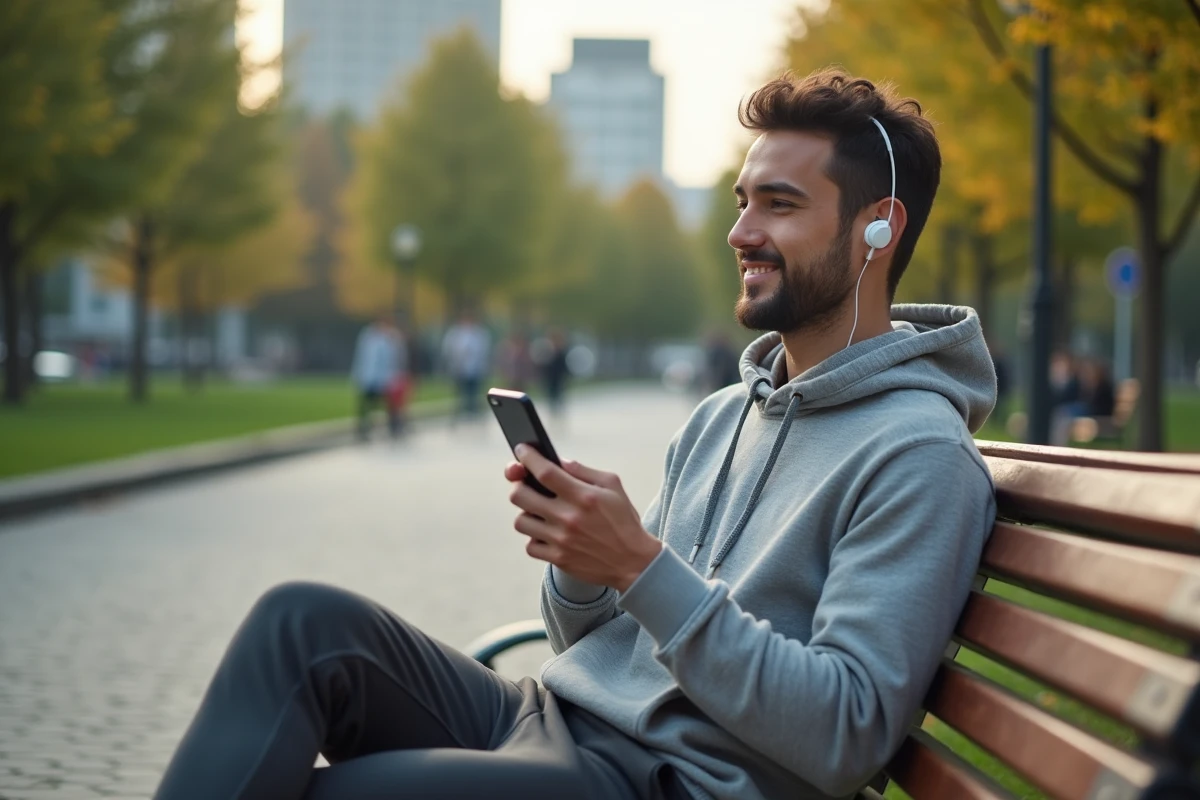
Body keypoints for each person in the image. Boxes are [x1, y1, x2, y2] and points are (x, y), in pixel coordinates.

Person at [153, 70, 997, 800]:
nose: (740, 232)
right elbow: (606, 643)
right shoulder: (724, 415)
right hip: (555, 720)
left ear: (877, 227)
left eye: (779, 205)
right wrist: (585, 574)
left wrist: (638, 564)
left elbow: (846, 734)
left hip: (668, 780)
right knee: (300, 622)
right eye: (743, 202)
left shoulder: (918, 454)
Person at [349, 314, 405, 440]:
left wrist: (396, 376)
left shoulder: (392, 337)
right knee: (366, 405)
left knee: (391, 405)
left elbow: (397, 357)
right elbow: (361, 356)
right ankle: (364, 429)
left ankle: (394, 428)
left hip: (387, 377)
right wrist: (358, 374)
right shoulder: (367, 336)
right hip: (369, 376)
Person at [441, 309, 491, 424]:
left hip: (476, 369)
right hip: (460, 369)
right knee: (461, 394)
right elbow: (448, 350)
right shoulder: (455, 333)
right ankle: (462, 413)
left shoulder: (479, 333)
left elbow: (484, 350)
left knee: (474, 392)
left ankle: (474, 413)